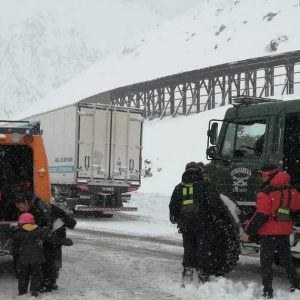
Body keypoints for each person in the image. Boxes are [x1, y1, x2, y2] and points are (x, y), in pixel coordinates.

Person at [241, 164, 300, 299]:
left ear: (270, 175)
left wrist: (248, 232)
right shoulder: (292, 190)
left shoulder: (266, 192)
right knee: (286, 261)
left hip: (268, 233)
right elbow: (297, 207)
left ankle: (268, 291)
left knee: (266, 263)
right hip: (284, 232)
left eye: (261, 174)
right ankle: (296, 286)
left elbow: (261, 215)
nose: (260, 177)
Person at [169, 161, 226, 286]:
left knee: (189, 249)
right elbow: (216, 204)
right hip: (203, 225)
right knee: (203, 250)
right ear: (199, 171)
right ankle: (203, 275)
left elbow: (173, 207)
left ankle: (187, 272)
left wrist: (178, 220)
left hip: (186, 226)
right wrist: (214, 218)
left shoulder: (179, 187)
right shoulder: (206, 186)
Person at [15, 190, 76, 292]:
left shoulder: (40, 205)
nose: (20, 209)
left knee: (49, 256)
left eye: (20, 207)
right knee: (45, 255)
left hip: (56, 229)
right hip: (50, 229)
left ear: (25, 202)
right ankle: (45, 282)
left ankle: (49, 284)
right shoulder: (34, 205)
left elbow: (48, 224)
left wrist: (43, 238)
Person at [12, 213, 44, 297]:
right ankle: (34, 290)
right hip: (37, 258)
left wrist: (19, 253)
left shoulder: (18, 233)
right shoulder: (40, 231)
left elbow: (15, 248)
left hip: (23, 259)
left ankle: (22, 292)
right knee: (36, 275)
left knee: (23, 276)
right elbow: (44, 241)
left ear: (21, 222)